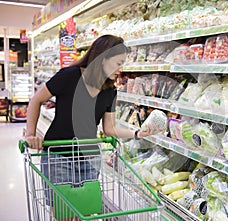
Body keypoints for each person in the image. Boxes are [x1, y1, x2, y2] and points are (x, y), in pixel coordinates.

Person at [24, 34, 153, 219]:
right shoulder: (69, 76)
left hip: (89, 159)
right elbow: (36, 100)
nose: (121, 69)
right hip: (58, 156)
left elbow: (110, 129)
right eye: (118, 63)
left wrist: (137, 133)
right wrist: (30, 134)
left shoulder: (110, 90)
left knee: (86, 212)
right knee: (64, 214)